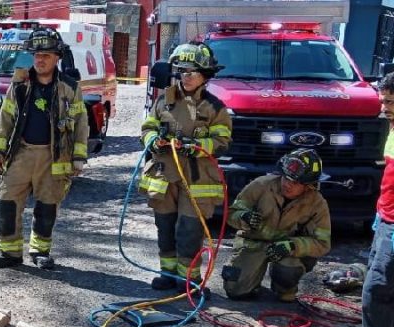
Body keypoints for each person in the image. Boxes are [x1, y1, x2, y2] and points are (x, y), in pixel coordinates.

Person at [0, 27, 89, 270]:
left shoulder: (70, 87)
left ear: (57, 58)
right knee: (7, 202)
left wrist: (78, 157)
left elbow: (81, 124)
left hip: (54, 156)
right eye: (36, 55)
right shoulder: (20, 83)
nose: (40, 60)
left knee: (47, 205)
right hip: (21, 153)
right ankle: (9, 252)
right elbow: (5, 118)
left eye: (46, 55)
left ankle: (40, 251)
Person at [139, 41, 232, 294]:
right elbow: (147, 128)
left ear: (205, 75)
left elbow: (222, 142)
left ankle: (190, 280)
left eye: (193, 72)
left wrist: (197, 146)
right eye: (182, 71)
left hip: (197, 179)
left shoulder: (214, 108)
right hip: (165, 176)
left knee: (190, 230)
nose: (186, 77)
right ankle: (167, 274)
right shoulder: (164, 100)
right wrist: (152, 140)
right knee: (165, 226)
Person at [221, 148, 331, 302]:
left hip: (287, 252)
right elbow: (231, 214)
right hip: (254, 243)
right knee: (235, 290)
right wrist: (243, 217)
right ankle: (252, 283)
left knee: (287, 273)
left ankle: (284, 289)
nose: (288, 184)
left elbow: (322, 243)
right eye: (286, 178)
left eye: (295, 182)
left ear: (308, 185)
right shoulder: (261, 185)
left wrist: (292, 245)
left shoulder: (317, 203)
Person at [345, 71, 394, 327]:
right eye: (383, 100)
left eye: (390, 102)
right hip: (386, 216)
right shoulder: (393, 127)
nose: (384, 107)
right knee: (376, 286)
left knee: (380, 287)